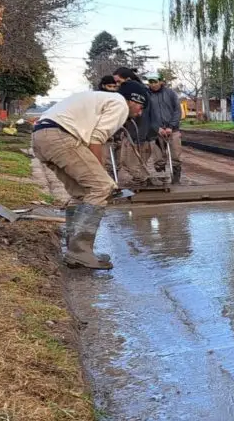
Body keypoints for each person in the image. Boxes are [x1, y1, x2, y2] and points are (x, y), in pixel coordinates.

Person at [31, 89, 143, 270]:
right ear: (132, 101)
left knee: (81, 193)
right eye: (140, 106)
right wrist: (100, 173)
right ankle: (80, 252)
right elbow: (96, 140)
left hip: (41, 137)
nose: (140, 112)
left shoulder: (99, 99)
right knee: (102, 187)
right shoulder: (120, 104)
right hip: (59, 136)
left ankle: (75, 251)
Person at [112, 67, 153, 185]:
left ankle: (144, 181)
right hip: (129, 133)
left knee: (132, 163)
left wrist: (140, 137)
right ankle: (141, 180)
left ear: (128, 79)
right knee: (125, 162)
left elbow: (143, 117)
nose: (117, 85)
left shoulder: (138, 94)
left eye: (119, 81)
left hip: (138, 135)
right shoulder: (131, 92)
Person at [146, 74, 184, 184]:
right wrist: (156, 128)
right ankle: (161, 179)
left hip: (172, 130)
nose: (153, 84)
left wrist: (171, 126)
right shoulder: (147, 95)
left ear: (161, 82)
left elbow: (177, 111)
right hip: (155, 132)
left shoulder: (170, 93)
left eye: (155, 82)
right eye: (151, 82)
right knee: (158, 158)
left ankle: (176, 180)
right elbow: (146, 114)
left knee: (176, 155)